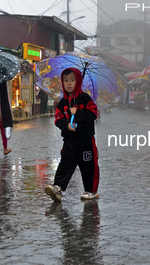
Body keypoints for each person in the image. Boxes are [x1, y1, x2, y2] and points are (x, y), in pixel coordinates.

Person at [45, 68, 99, 202]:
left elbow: (93, 114)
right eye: (66, 80)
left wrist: (78, 113)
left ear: (78, 81)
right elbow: (58, 119)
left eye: (72, 80)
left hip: (85, 141)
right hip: (69, 141)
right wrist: (67, 126)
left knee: (88, 166)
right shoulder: (63, 102)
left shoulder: (84, 99)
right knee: (65, 164)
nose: (69, 83)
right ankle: (58, 187)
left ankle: (90, 190)